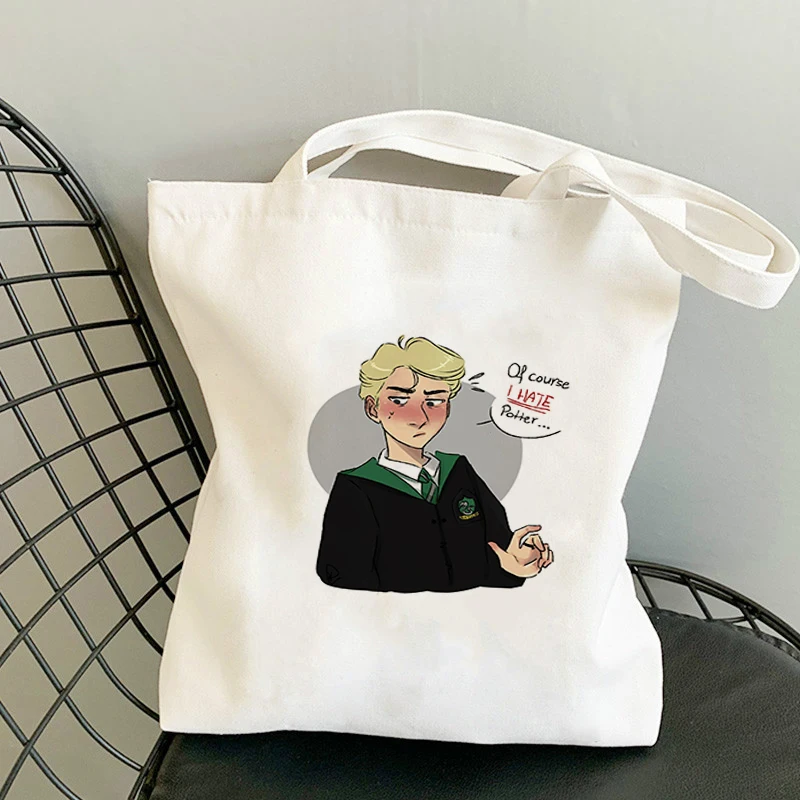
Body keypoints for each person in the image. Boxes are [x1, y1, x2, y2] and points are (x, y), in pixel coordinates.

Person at [316, 335, 554, 593]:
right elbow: (338, 573)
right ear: (373, 408)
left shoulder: (459, 471)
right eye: (399, 400)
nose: (419, 417)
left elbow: (495, 552)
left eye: (433, 402)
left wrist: (514, 566)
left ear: (448, 408)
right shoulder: (356, 488)